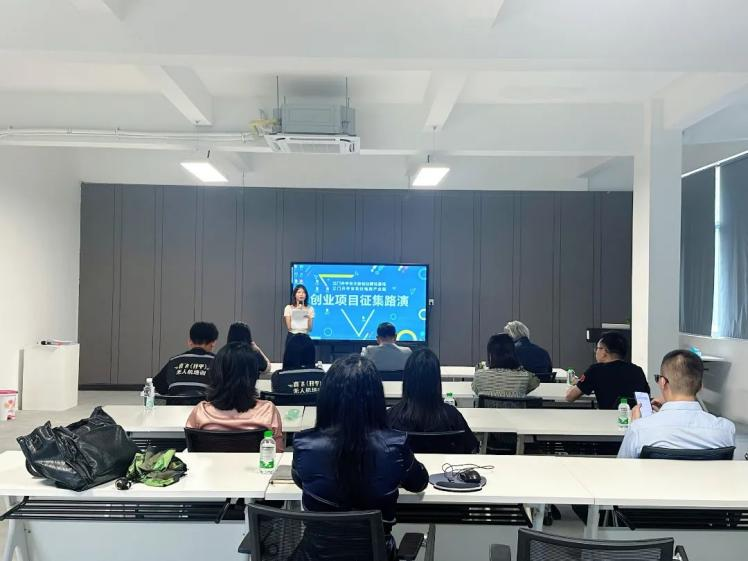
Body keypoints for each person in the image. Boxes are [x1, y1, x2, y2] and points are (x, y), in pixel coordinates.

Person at [292, 355, 428, 560]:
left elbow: (300, 480)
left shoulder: (304, 444)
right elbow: (419, 483)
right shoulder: (395, 445)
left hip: (316, 555)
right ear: (376, 399)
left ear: (326, 398)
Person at [617, 350, 735, 459]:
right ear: (700, 386)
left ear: (663, 382)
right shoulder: (726, 430)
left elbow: (623, 468)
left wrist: (636, 424)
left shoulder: (639, 429)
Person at [185, 342, 284, 451]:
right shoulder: (268, 411)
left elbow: (192, 454)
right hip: (254, 463)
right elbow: (277, 453)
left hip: (213, 463)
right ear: (253, 376)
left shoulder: (201, 412)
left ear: (215, 373)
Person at [388, 348, 479, 453]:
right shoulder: (453, 416)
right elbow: (472, 447)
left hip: (404, 464)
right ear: (437, 380)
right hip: (445, 464)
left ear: (406, 379)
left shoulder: (391, 416)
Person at [566, 332, 650, 409]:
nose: (596, 352)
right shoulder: (637, 370)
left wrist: (574, 387)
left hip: (606, 418)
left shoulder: (595, 370)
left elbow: (570, 397)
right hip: (635, 418)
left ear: (604, 351)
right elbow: (646, 397)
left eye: (597, 348)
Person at [153, 321, 218, 398]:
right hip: (205, 405)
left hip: (175, 405)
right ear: (213, 343)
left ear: (190, 341)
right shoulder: (217, 361)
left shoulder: (174, 361)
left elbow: (157, 387)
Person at [472, 334, 540, 397]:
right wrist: (520, 368)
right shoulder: (524, 377)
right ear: (513, 354)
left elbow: (476, 389)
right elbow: (536, 382)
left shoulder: (479, 376)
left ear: (490, 355)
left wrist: (478, 371)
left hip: (488, 407)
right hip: (515, 407)